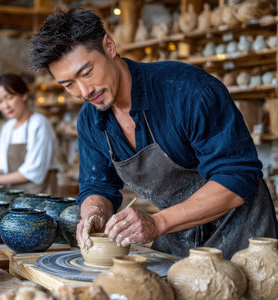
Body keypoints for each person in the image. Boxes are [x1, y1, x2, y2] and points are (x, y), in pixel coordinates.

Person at [28, 8, 277, 259]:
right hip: (179, 236)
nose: (84, 91)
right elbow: (97, 184)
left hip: (244, 237)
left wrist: (157, 223)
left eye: (87, 72)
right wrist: (94, 213)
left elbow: (236, 176)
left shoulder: (188, 91)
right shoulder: (91, 119)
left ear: (109, 46)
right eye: (69, 84)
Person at [0, 74, 58, 194]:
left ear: (24, 95)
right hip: (15, 193)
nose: (5, 105)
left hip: (39, 195)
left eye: (9, 98)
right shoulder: (8, 127)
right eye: (0, 101)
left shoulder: (38, 123)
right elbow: (2, 166)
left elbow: (34, 171)